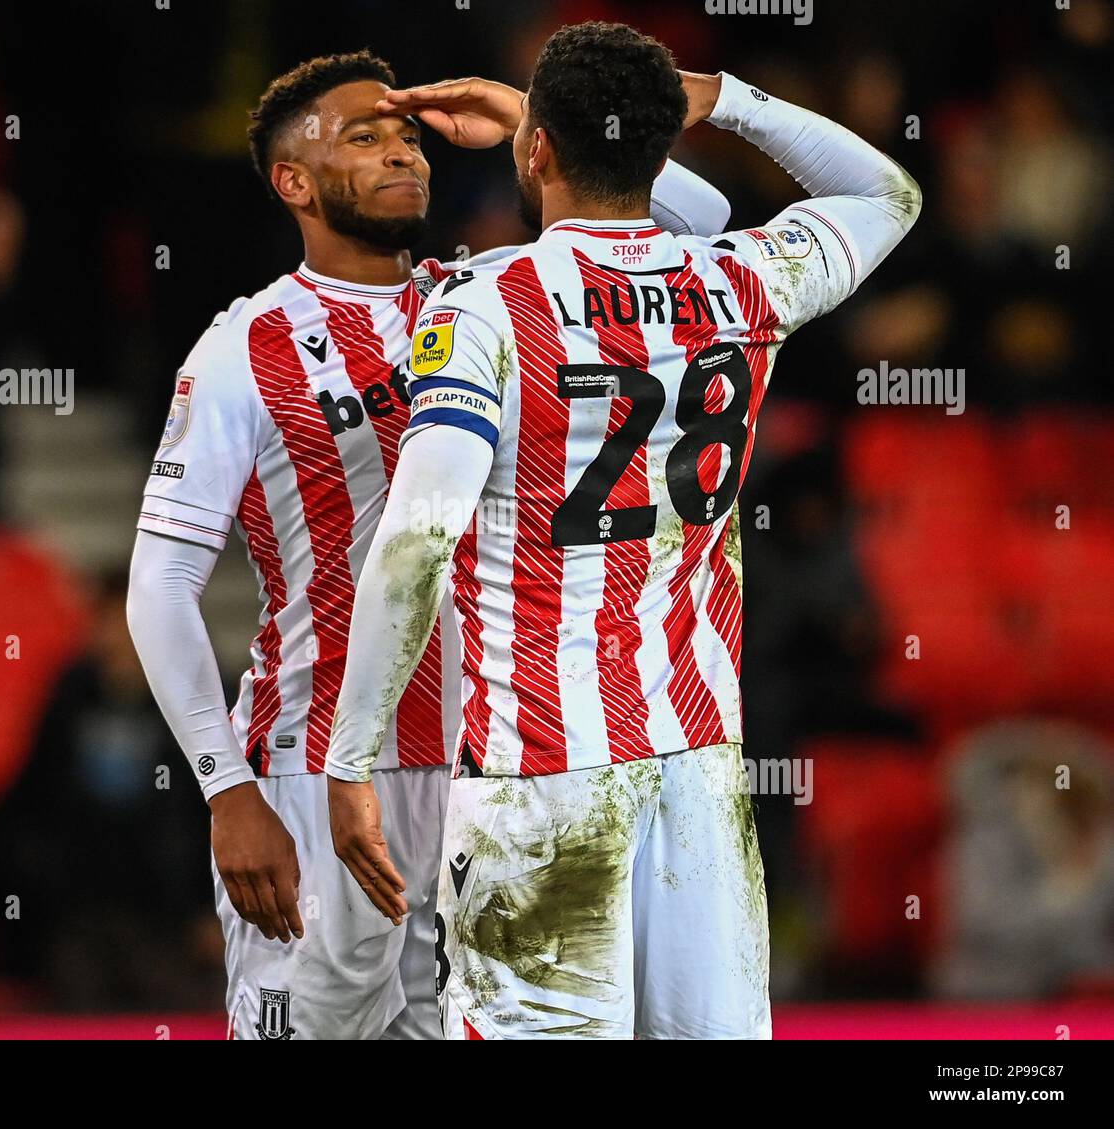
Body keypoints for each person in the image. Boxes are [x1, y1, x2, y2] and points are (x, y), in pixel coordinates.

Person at [325, 21, 922, 1039]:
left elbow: (420, 535)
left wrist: (350, 762)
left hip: (540, 770)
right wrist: (726, 96)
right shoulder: (736, 281)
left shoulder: (487, 302)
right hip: (696, 760)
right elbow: (884, 196)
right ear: (656, 143)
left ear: (537, 152)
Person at [126, 49, 732, 1039]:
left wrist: (537, 117)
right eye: (362, 136)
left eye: (406, 131)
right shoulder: (244, 348)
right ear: (294, 181)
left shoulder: (496, 294)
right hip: (316, 768)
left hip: (491, 766)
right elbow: (159, 584)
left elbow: (695, 229)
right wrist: (227, 789)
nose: (400, 150)